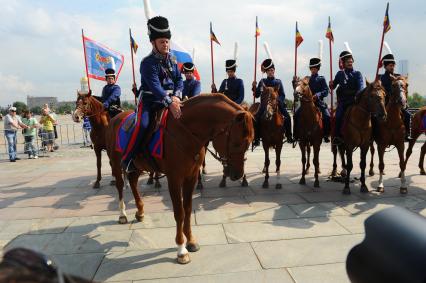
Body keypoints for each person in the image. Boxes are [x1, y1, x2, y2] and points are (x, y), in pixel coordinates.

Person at [124, 15, 183, 172]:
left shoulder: (173, 60)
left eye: (166, 41)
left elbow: (179, 80)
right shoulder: (147, 63)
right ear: (153, 43)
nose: (165, 44)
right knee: (142, 125)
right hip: (150, 101)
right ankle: (129, 159)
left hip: (173, 99)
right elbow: (155, 87)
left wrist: (177, 95)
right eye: (161, 41)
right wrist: (170, 102)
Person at [252, 59, 293, 145]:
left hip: (276, 104)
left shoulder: (278, 81)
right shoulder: (262, 82)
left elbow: (282, 95)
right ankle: (256, 138)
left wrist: (277, 101)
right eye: (269, 71)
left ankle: (289, 135)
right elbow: (257, 95)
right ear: (266, 72)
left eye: (272, 70)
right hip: (264, 105)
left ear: (274, 71)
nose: (271, 72)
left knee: (287, 117)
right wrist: (254, 88)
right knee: (255, 118)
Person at [329, 46, 364, 144]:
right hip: (344, 101)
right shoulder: (339, 74)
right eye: (347, 61)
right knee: (338, 116)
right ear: (343, 63)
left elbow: (361, 86)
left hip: (355, 101)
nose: (349, 62)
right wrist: (331, 84)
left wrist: (358, 94)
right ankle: (337, 136)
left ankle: (370, 135)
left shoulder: (357, 74)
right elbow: (333, 86)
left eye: (351, 61)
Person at [294, 57, 331, 143]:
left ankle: (325, 134)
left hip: (318, 102)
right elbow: (299, 88)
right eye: (312, 68)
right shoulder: (306, 79)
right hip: (306, 102)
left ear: (318, 69)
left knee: (327, 116)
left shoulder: (321, 78)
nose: (313, 70)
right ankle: (295, 135)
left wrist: (318, 95)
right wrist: (295, 83)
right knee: (296, 115)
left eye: (315, 68)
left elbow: (326, 91)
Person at [379, 52, 412, 141]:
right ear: (385, 67)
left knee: (408, 115)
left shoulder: (398, 76)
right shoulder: (382, 78)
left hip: (398, 103)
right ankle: (375, 135)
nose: (392, 67)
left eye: (393, 65)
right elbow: (382, 90)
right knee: (376, 117)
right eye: (390, 65)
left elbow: (403, 89)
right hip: (386, 102)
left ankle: (407, 134)